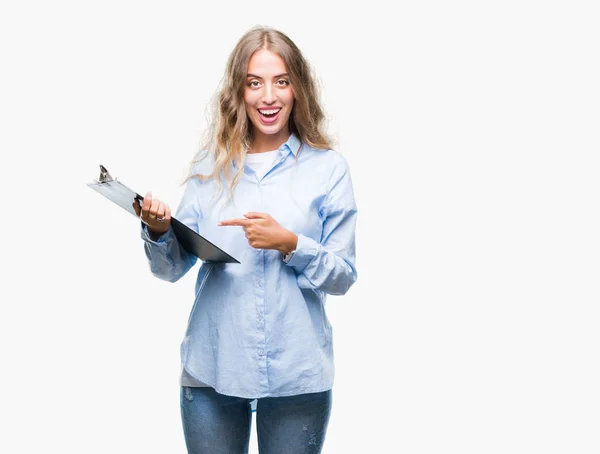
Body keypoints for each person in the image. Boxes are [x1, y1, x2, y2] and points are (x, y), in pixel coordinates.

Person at [134, 26, 358, 454]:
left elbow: (343, 276)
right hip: (213, 365)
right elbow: (171, 270)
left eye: (281, 81)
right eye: (254, 83)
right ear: (239, 91)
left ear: (298, 89)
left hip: (297, 372)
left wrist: (291, 243)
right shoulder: (210, 167)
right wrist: (160, 233)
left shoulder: (328, 169)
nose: (268, 97)